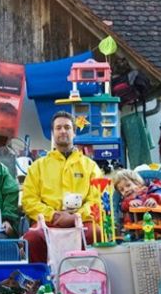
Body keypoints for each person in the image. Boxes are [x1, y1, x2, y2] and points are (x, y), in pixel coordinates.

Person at [21, 111, 102, 263]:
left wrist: (76, 216)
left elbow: (97, 200)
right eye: (58, 128)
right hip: (48, 221)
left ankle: (89, 279)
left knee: (96, 234)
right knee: (32, 239)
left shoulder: (90, 166)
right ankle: (42, 282)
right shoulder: (38, 166)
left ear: (74, 132)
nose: (63, 131)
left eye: (67, 127)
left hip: (82, 220)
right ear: (52, 132)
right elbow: (29, 201)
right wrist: (54, 215)